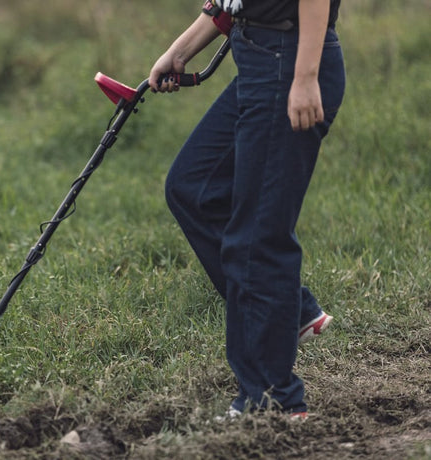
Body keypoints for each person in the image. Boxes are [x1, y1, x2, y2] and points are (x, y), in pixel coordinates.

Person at [148, 0, 345, 417]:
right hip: (258, 60)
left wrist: (305, 76)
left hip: (289, 61)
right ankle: (289, 310)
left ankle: (271, 400)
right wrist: (180, 51)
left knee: (257, 239)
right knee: (193, 189)